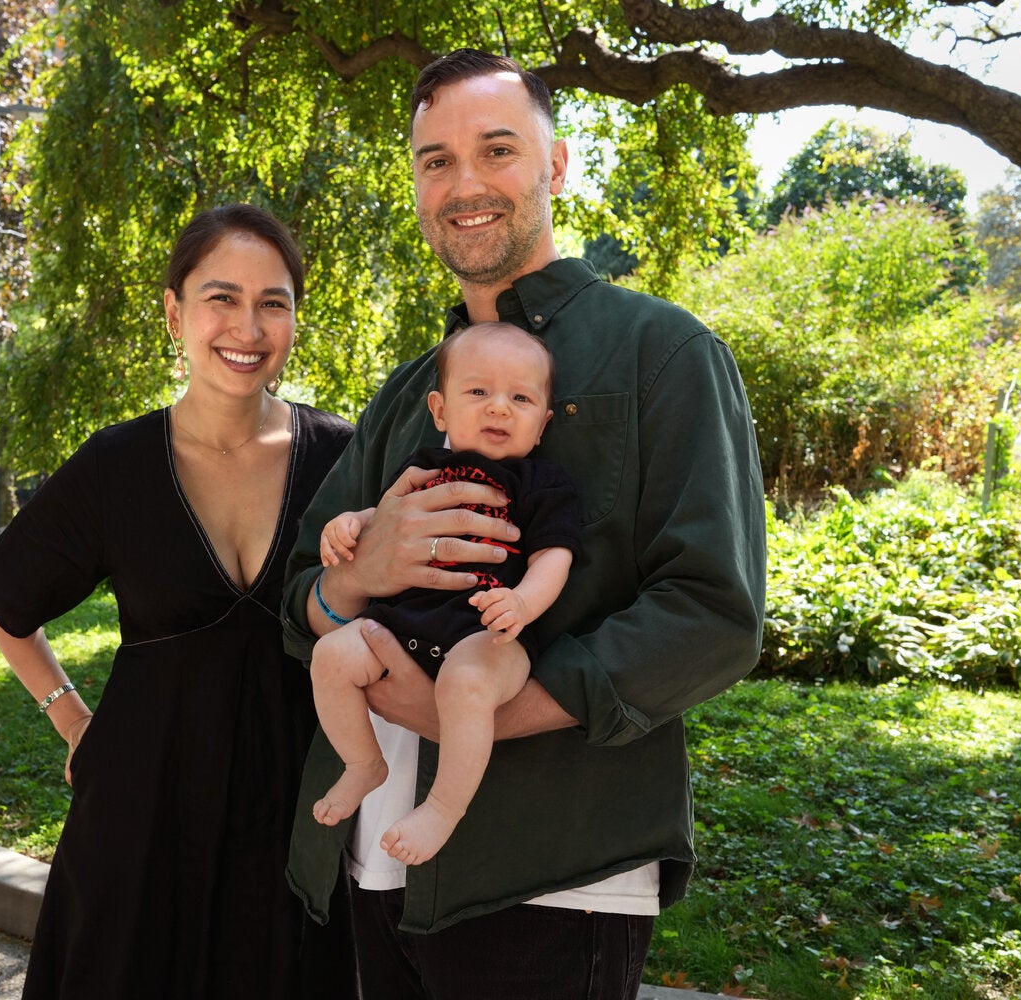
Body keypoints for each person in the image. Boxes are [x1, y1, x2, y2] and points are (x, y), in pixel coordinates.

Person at [282, 49, 768, 999]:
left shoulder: (663, 352)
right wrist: (353, 575)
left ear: (556, 166)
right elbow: (298, 592)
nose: (465, 185)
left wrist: (478, 715)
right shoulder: (408, 394)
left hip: (556, 874)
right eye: (435, 161)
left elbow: (713, 613)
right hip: (372, 862)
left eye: (497, 150)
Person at [0, 204, 356, 999]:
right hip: (140, 817)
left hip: (295, 818)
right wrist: (72, 719)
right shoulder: (116, 465)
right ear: (176, 312)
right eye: (222, 298)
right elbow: (2, 597)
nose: (247, 327)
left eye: (272, 303)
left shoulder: (344, 459)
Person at [309, 321, 579, 867]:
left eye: (520, 398)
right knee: (331, 656)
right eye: (478, 392)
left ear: (543, 422)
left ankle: (442, 808)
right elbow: (383, 519)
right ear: (439, 410)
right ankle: (363, 763)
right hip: (402, 627)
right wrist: (349, 524)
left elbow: (556, 555)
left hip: (486, 633)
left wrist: (522, 604)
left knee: (467, 681)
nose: (499, 408)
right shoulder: (422, 468)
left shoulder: (540, 482)